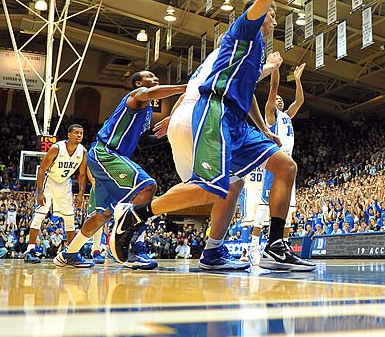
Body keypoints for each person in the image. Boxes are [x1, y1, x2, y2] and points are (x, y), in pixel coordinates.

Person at [111, 0, 344, 271]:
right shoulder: (243, 31)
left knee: (285, 167)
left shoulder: (257, 52)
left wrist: (263, 130)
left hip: (236, 119)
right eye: (272, 15)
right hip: (215, 112)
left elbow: (247, 95)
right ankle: (138, 213)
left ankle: (273, 245)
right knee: (210, 187)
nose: (274, 20)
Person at [157, 48, 283, 272]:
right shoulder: (239, 47)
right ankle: (137, 214)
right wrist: (272, 66)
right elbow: (249, 77)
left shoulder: (214, 57)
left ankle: (212, 251)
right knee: (212, 188)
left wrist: (171, 116)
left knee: (229, 185)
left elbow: (242, 90)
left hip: (184, 116)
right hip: (202, 118)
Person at [57, 75, 185, 271]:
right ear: (138, 83)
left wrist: (170, 130)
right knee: (148, 186)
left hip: (109, 158)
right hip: (106, 153)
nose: (155, 77)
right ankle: (130, 246)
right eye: (149, 76)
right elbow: (151, 93)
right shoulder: (136, 96)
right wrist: (185, 87)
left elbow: (143, 142)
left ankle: (69, 254)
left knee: (103, 214)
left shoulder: (147, 110)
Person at [243, 62, 306, 266]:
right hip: (275, 161)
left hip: (288, 164)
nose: (278, 100)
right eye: (276, 100)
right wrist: (275, 69)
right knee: (263, 209)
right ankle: (253, 246)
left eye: (280, 100)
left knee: (287, 210)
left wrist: (297, 80)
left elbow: (299, 101)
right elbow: (273, 88)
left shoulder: (287, 116)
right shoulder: (271, 116)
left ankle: (283, 245)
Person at [23, 124, 89, 265]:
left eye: (81, 133)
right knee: (40, 215)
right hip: (50, 182)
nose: (79, 135)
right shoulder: (56, 148)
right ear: (69, 135)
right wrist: (40, 192)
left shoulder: (83, 151)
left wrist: (81, 194)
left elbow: (82, 174)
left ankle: (71, 253)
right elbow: (41, 169)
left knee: (70, 218)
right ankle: (30, 250)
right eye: (76, 133)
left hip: (65, 184)